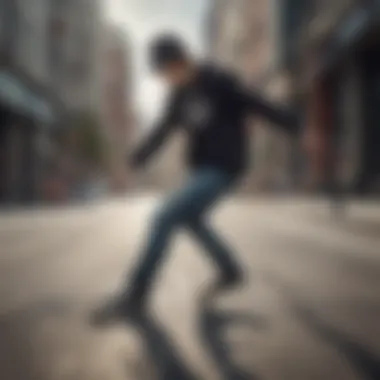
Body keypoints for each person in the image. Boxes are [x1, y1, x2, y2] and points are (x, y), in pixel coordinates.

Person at [92, 34, 300, 324]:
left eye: (165, 72)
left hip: (225, 166)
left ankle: (136, 292)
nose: (165, 79)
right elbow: (162, 130)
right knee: (190, 220)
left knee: (164, 217)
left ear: (179, 62)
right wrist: (135, 159)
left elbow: (253, 101)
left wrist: (290, 121)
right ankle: (229, 270)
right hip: (201, 169)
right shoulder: (177, 97)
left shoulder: (218, 80)